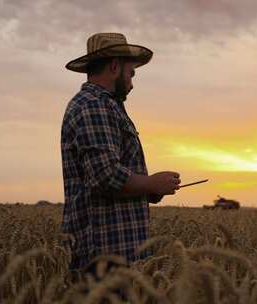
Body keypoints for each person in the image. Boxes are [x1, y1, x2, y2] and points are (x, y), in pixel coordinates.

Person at [61, 33, 181, 278]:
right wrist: (151, 182)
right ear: (115, 66)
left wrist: (150, 189)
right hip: (104, 253)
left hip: (117, 250)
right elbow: (105, 176)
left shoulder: (104, 105)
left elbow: (109, 173)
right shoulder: (94, 105)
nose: (132, 83)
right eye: (131, 74)